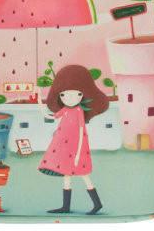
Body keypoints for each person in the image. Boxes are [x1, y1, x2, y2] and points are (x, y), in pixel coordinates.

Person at [38, 65, 109, 215]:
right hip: (65, 149)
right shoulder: (65, 110)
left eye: (76, 94)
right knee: (67, 175)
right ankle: (66, 206)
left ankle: (97, 203)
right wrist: (39, 101)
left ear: (82, 94)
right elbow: (50, 116)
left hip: (77, 149)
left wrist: (78, 154)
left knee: (84, 175)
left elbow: (82, 131)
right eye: (64, 95)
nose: (69, 98)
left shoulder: (78, 111)